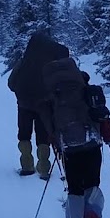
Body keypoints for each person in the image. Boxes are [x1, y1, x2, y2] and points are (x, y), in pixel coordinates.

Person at [42, 59, 110, 218]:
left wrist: (54, 141)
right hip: (92, 144)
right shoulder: (88, 91)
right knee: (92, 182)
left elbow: (48, 123)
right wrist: (108, 135)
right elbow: (102, 115)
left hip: (69, 147)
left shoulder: (51, 96)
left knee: (74, 186)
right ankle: (92, 216)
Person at [6, 29, 68, 178]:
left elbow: (11, 83)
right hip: (45, 106)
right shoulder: (51, 63)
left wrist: (21, 93)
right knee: (43, 135)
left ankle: (27, 166)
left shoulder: (24, 61)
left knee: (24, 134)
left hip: (24, 104)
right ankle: (44, 168)